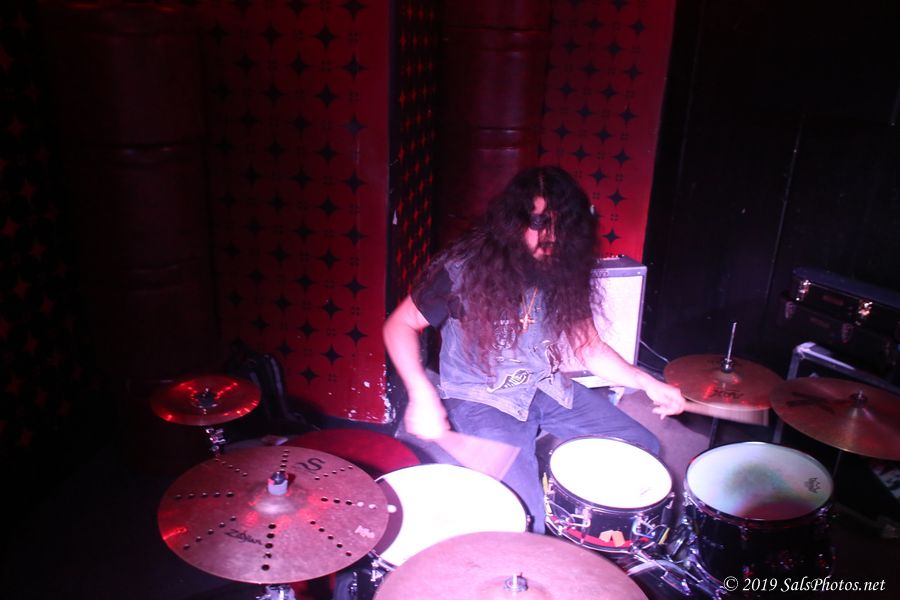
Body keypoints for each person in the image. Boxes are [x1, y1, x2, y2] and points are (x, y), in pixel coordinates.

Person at [383, 166, 685, 533]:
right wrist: (421, 393)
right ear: (514, 221)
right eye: (540, 222)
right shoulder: (462, 269)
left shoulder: (562, 271)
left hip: (544, 386)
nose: (551, 235)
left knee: (640, 445)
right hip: (481, 396)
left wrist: (646, 382)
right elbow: (400, 325)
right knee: (525, 519)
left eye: (561, 224)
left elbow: (588, 347)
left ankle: (566, 500)